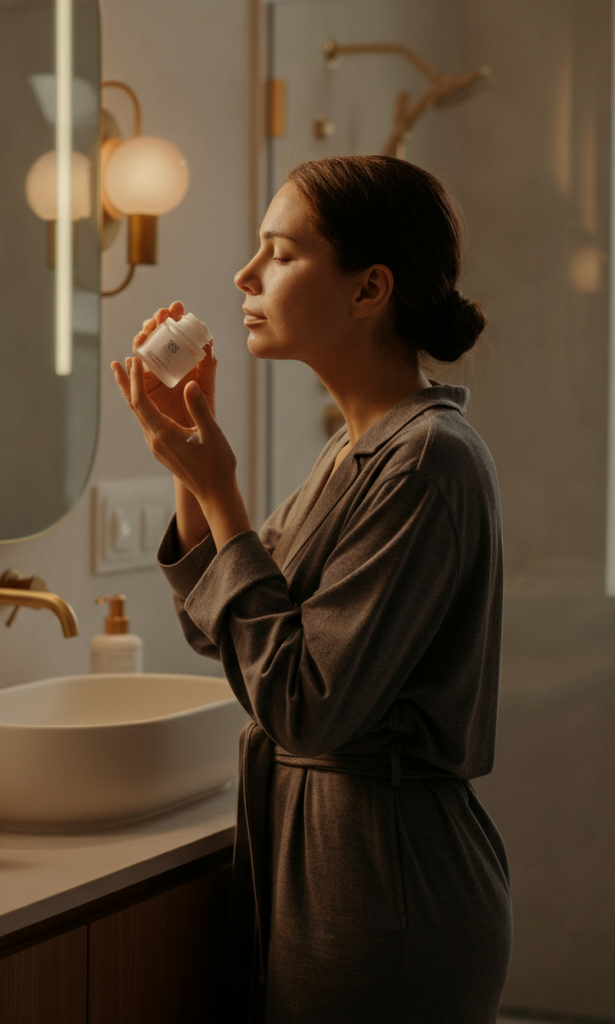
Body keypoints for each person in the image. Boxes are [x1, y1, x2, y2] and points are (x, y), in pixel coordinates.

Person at [111, 155, 512, 1023]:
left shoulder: (428, 460)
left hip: (389, 883)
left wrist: (222, 492)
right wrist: (190, 462)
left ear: (369, 290)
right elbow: (230, 631)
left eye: (280, 253)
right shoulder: (355, 451)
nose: (243, 276)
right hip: (332, 863)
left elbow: (306, 704)